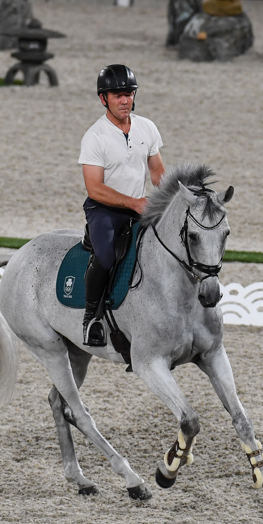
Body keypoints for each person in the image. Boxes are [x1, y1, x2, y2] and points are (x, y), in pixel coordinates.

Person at [77, 64, 165, 346]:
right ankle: (91, 317)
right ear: (104, 99)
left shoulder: (147, 127)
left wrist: (172, 200)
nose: (125, 100)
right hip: (105, 210)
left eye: (129, 93)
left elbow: (157, 173)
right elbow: (94, 187)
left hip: (140, 206)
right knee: (105, 257)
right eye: (117, 95)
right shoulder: (95, 137)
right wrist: (133, 202)